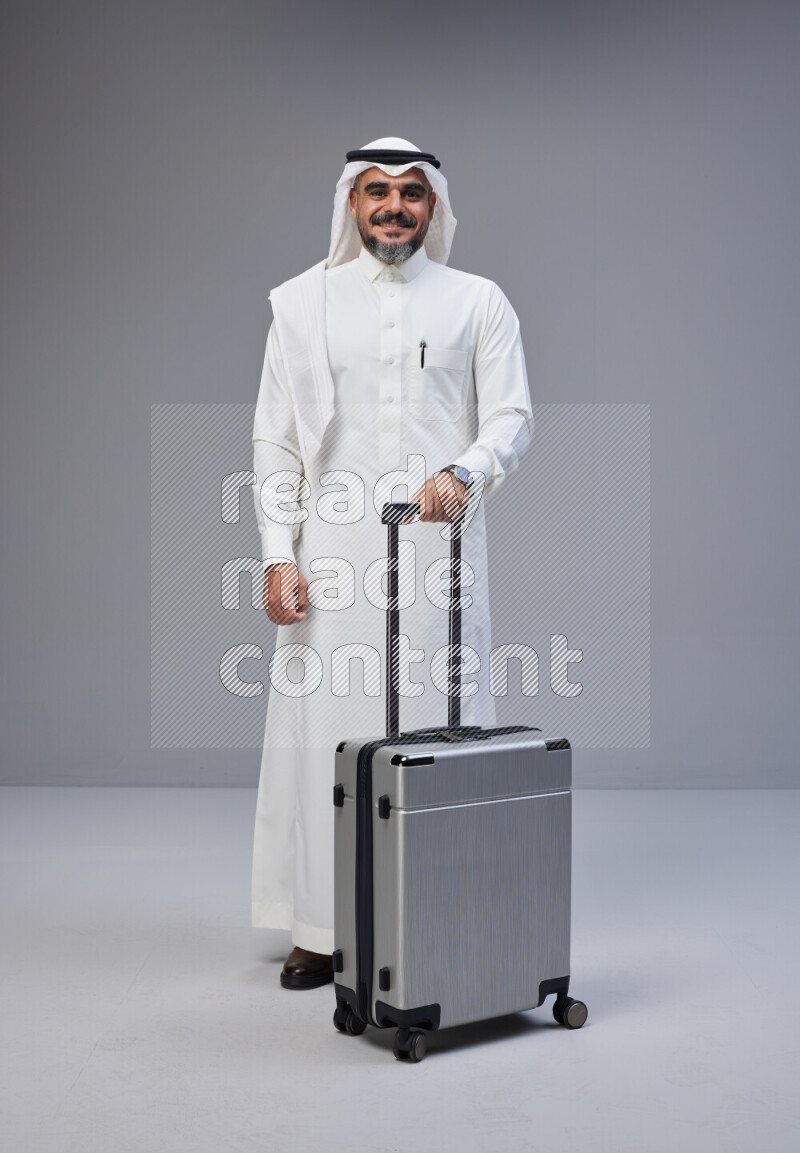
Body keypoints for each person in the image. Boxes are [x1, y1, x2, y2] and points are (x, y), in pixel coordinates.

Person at [251, 137, 534, 988]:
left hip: (439, 550)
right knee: (323, 737)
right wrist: (276, 556)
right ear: (350, 202)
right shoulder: (303, 305)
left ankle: (440, 912)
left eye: (412, 192)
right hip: (332, 555)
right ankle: (320, 924)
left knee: (443, 729)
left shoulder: (478, 301)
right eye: (377, 191)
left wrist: (465, 470)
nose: (394, 207)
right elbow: (273, 440)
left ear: (435, 206)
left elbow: (513, 417)